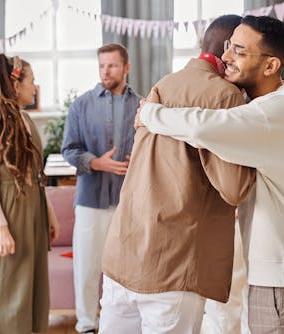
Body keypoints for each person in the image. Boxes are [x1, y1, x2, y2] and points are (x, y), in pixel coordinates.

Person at [138, 15, 284, 333]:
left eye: (239, 51)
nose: (225, 57)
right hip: (283, 271)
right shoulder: (277, 105)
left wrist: (149, 112)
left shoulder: (277, 112)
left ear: (270, 66)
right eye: (229, 46)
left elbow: (205, 125)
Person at [99, 15, 256, 334]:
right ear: (229, 50)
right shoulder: (225, 96)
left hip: (123, 252)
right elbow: (234, 188)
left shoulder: (163, 84)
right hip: (172, 260)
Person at [0, 53, 60, 333]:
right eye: (32, 81)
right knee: (6, 286)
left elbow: (35, 174)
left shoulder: (26, 119)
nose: (35, 87)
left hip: (33, 207)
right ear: (15, 84)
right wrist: (1, 227)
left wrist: (49, 212)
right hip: (8, 211)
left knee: (32, 285)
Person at [61, 43, 141, 334]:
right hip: (91, 201)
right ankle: (86, 325)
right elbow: (69, 149)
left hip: (128, 203)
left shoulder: (142, 106)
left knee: (126, 269)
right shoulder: (81, 105)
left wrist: (140, 161)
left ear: (126, 68)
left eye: (112, 65)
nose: (106, 71)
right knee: (86, 268)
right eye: (101, 66)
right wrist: (97, 163)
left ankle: (121, 325)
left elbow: (152, 151)